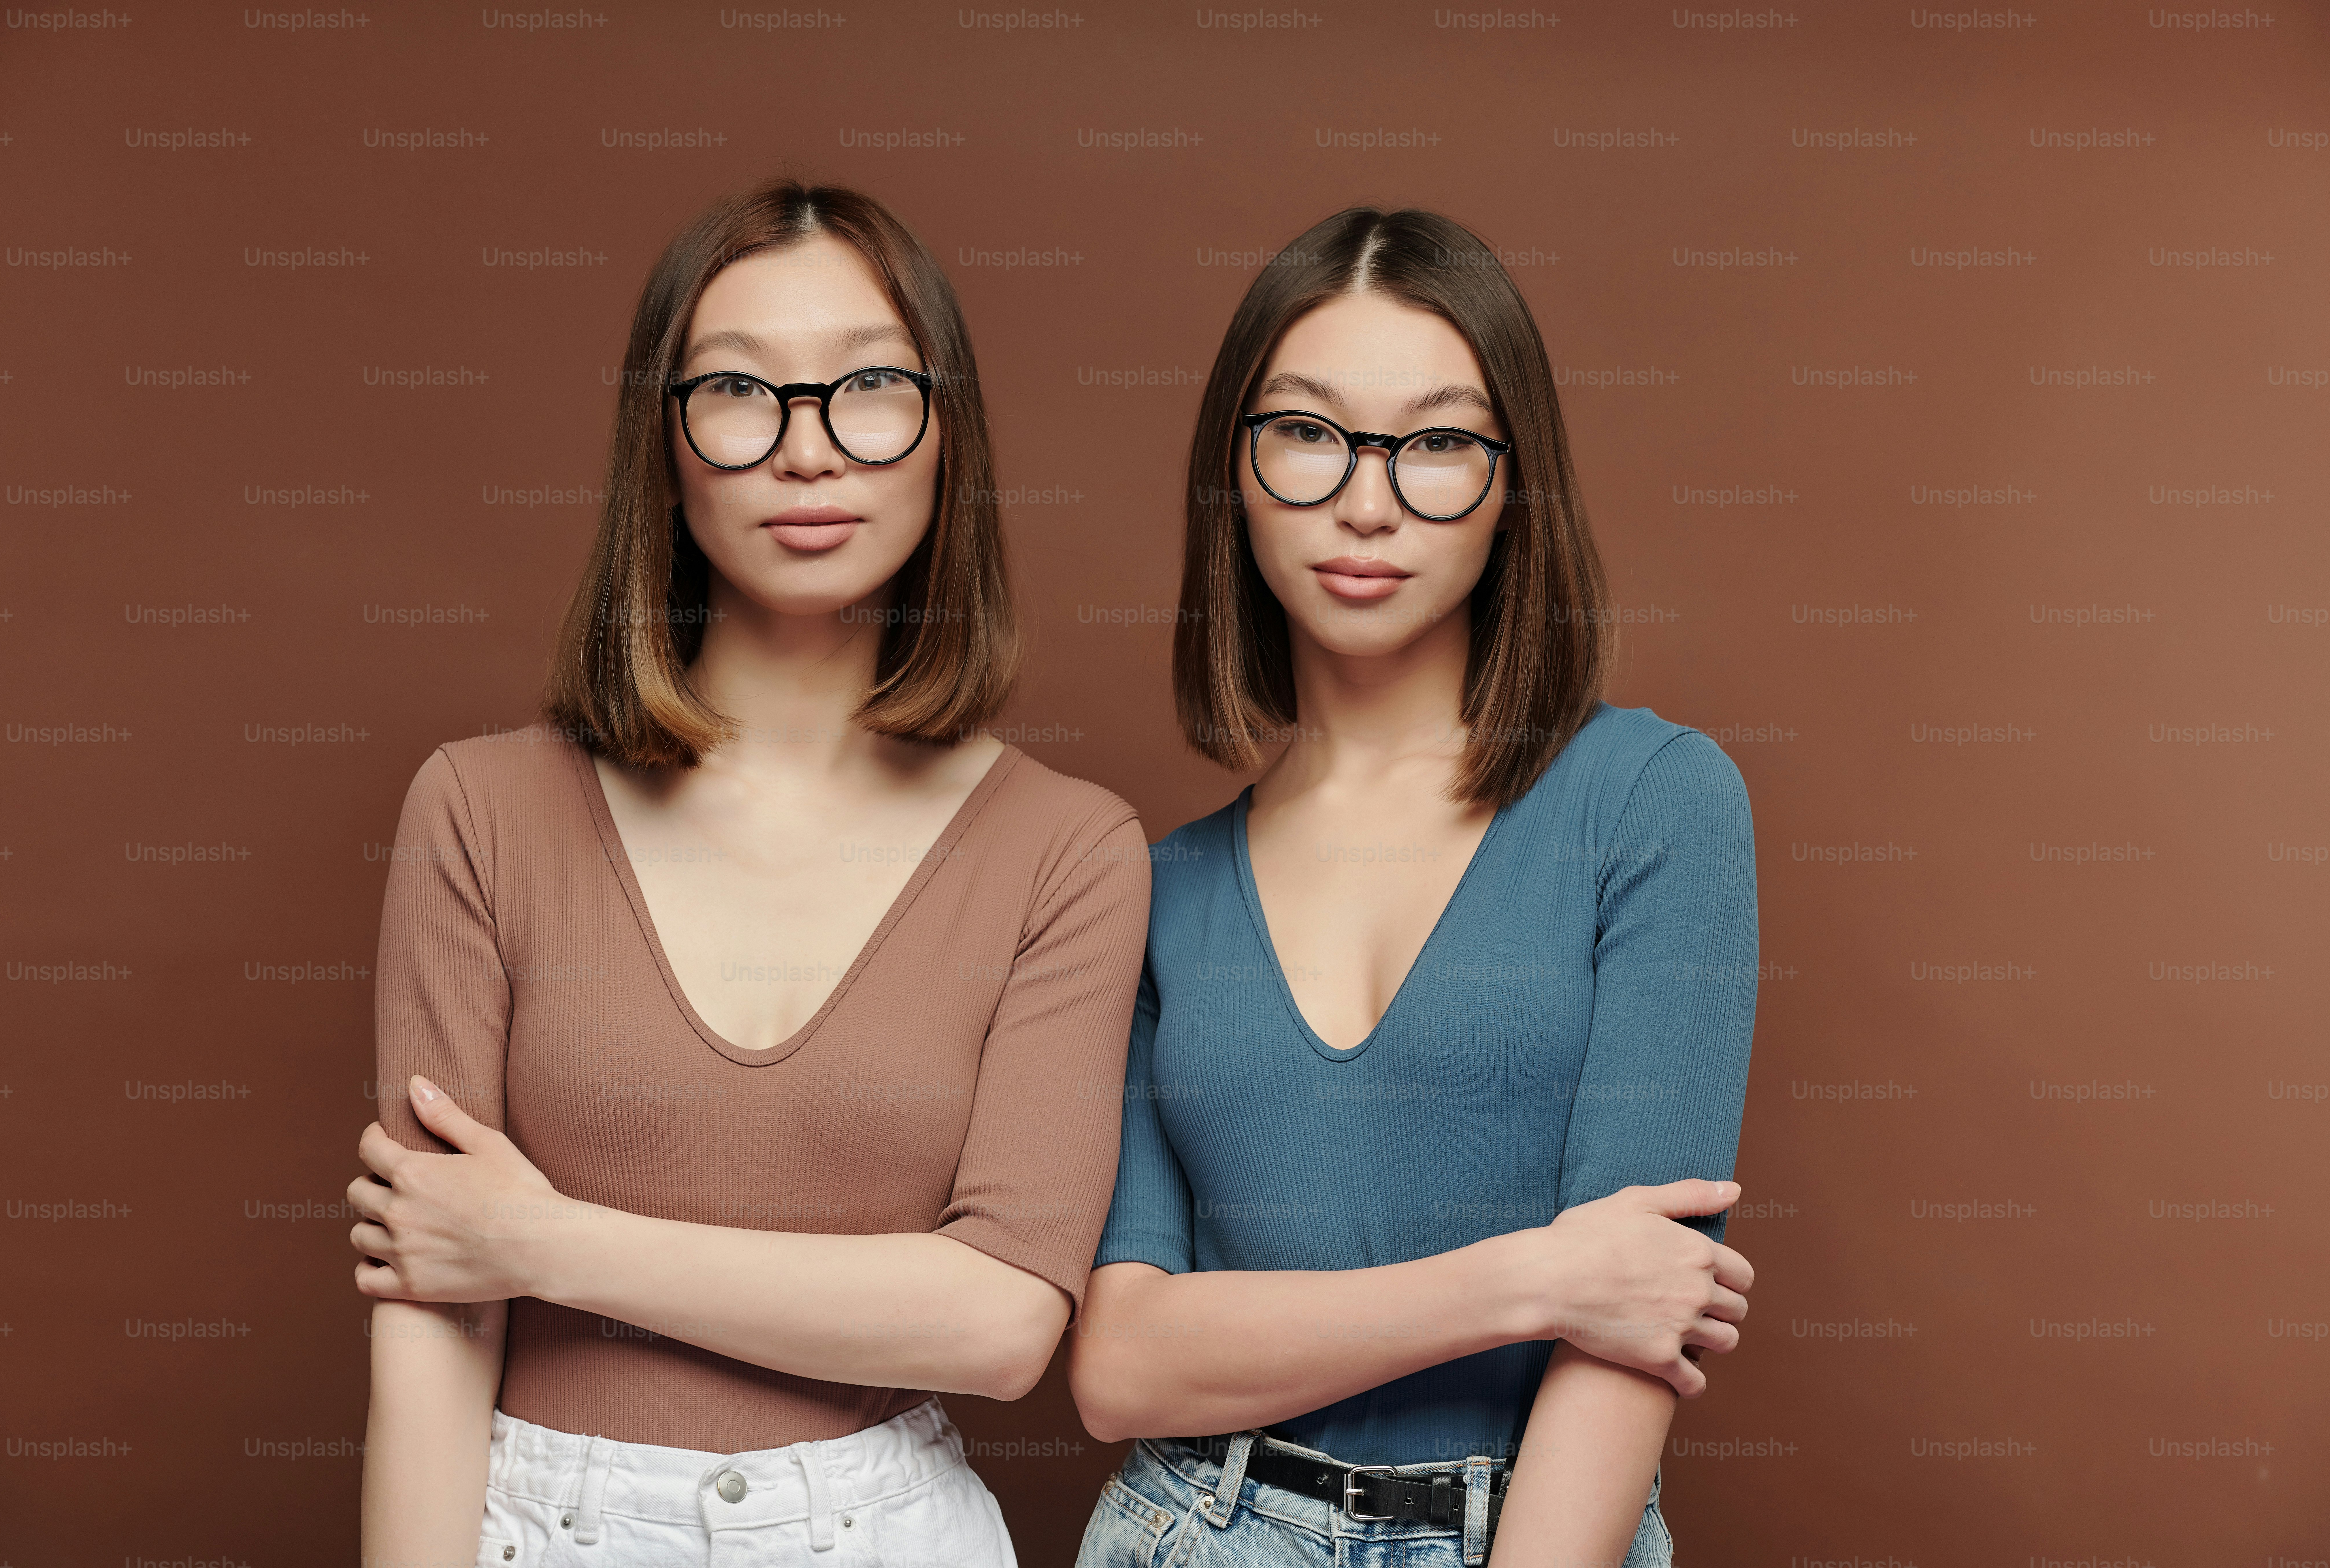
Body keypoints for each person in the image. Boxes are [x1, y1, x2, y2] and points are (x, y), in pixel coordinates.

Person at [346, 181, 1150, 1568]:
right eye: (738, 390)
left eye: (871, 386)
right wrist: (482, 1250)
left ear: (947, 439)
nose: (809, 449)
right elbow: (432, 1300)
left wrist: (542, 1241)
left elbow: (1002, 1320)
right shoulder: (478, 808)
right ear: (663, 451)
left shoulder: (1069, 848)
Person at [1068, 206, 1760, 1567]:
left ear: (1515, 486)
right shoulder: (1155, 889)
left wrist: (1585, 1296)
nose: (1368, 499)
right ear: (1234, 471)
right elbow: (1123, 1363)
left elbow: (1636, 1329)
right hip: (1190, 1528)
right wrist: (1534, 1277)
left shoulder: (1654, 802)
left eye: (1439, 442)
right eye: (1308, 431)